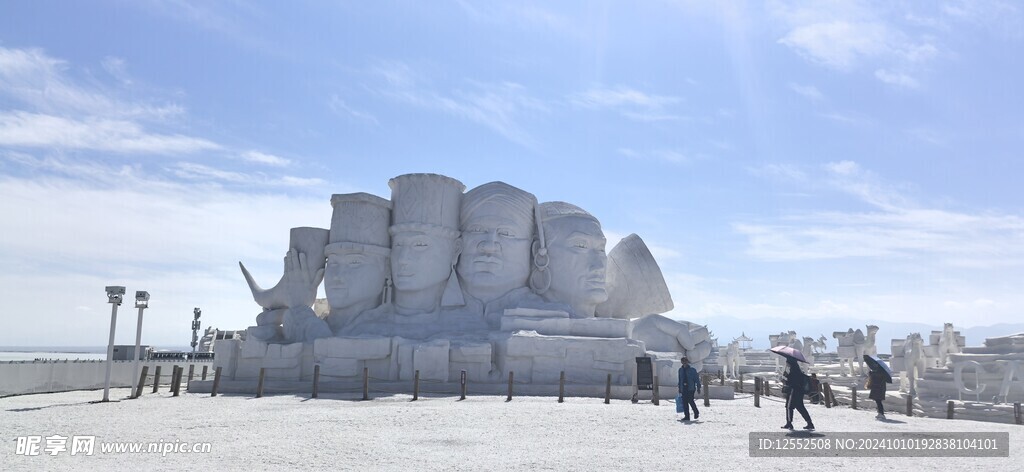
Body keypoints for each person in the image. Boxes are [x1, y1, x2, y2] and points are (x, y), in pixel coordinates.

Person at [782, 358, 814, 430]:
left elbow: (792, 382)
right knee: (800, 407)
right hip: (799, 391)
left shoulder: (793, 371)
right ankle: (809, 423)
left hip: (793, 391)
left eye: (787, 362)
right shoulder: (797, 370)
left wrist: (785, 379)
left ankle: (789, 423)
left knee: (789, 407)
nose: (786, 364)